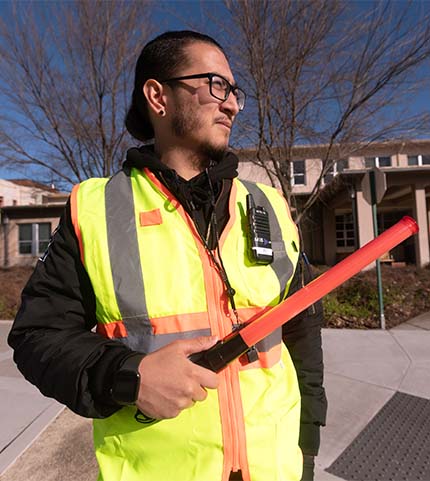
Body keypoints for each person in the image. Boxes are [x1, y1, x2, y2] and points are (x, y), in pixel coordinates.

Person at [8, 31, 327, 481]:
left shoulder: (269, 205)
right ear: (157, 96)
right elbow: (38, 336)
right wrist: (128, 375)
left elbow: (301, 332)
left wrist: (306, 449)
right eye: (216, 85)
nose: (232, 105)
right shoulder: (96, 210)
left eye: (235, 92)